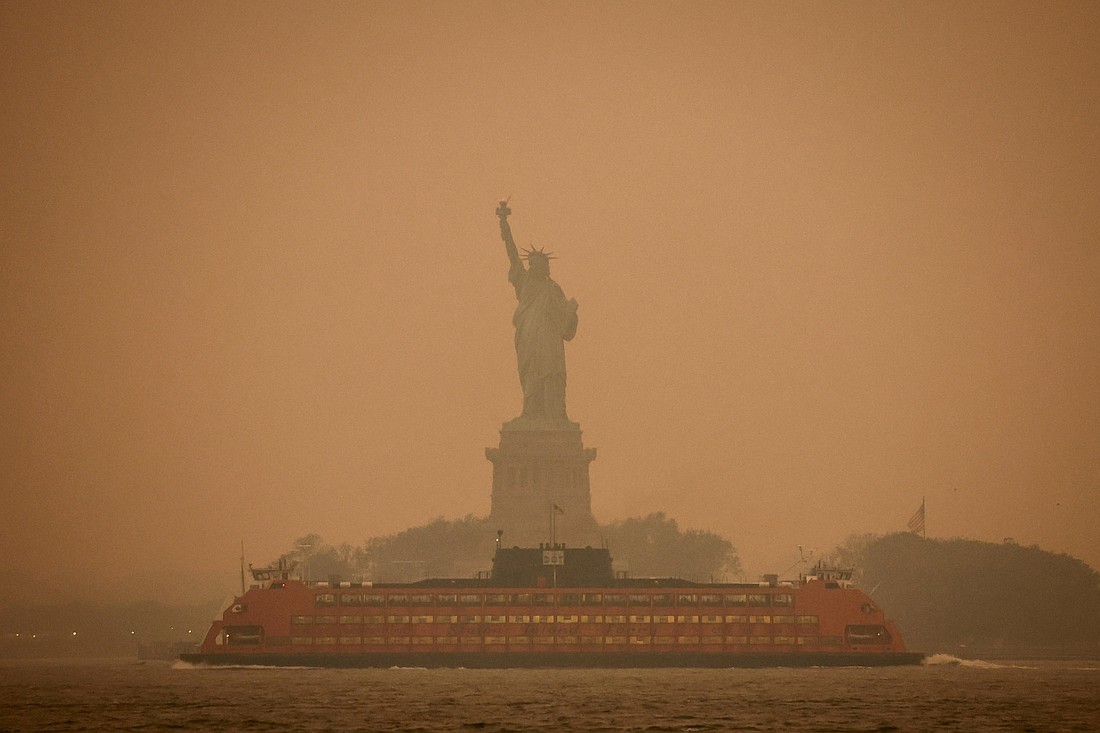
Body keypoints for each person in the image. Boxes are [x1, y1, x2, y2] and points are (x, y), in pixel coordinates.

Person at [497, 201, 579, 424]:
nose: (533, 267)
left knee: (551, 373)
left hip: (549, 340)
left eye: (537, 264)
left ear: (546, 267)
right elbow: (513, 255)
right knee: (531, 373)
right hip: (528, 337)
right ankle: (530, 412)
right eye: (531, 264)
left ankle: (555, 414)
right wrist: (504, 225)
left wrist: (572, 312)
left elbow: (566, 321)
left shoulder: (553, 289)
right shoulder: (523, 283)